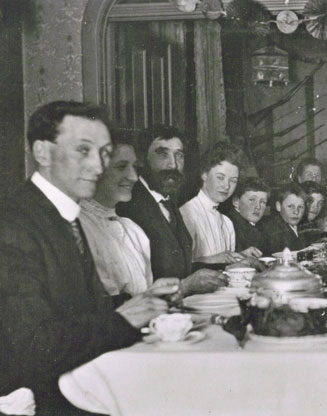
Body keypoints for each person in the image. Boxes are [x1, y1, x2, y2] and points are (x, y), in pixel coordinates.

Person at [0, 101, 175, 414]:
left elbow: (76, 310)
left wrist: (141, 302)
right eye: (83, 150)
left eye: (104, 153)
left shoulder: (63, 214)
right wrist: (123, 319)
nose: (97, 165)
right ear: (42, 152)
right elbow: (32, 345)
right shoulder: (13, 223)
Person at [116, 125, 227, 295]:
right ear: (143, 159)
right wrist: (185, 286)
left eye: (179, 155)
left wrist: (227, 267)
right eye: (163, 154)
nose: (173, 165)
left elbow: (180, 269)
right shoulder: (128, 205)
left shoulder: (168, 201)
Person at [80, 128, 153, 298]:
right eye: (121, 167)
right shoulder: (78, 228)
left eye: (135, 167)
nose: (134, 177)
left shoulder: (134, 231)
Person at [180, 142, 259, 263]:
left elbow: (227, 266)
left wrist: (240, 256)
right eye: (220, 177)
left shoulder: (227, 223)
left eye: (233, 180)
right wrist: (215, 259)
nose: (227, 186)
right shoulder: (185, 214)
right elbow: (179, 267)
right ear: (204, 175)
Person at [219, 176, 270, 255]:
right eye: (252, 200)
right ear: (236, 202)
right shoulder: (229, 224)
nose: (258, 207)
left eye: (263, 202)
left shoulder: (253, 225)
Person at [259, 182, 307, 255]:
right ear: (278, 206)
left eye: (300, 207)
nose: (296, 212)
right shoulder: (273, 231)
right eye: (290, 206)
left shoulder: (299, 226)